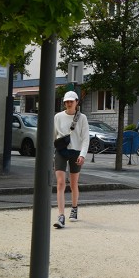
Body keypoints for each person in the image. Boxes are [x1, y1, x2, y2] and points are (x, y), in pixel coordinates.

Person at [53, 90, 89, 229]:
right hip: (61, 151)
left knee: (74, 183)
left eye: (71, 101)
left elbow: (85, 138)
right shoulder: (58, 117)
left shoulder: (82, 118)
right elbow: (54, 135)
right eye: (66, 101)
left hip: (76, 152)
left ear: (76, 102)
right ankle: (61, 215)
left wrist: (82, 155)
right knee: (60, 183)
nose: (68, 104)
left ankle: (74, 208)